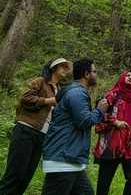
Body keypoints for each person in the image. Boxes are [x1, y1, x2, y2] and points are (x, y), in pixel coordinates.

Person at [0, 58, 72, 195]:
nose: (66, 68)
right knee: (14, 174)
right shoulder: (40, 81)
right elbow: (25, 98)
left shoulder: (59, 90)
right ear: (53, 68)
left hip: (42, 136)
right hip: (26, 129)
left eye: (67, 67)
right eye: (63, 66)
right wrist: (48, 101)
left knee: (26, 176)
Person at [41, 58, 109, 195]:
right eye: (94, 72)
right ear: (87, 74)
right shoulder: (77, 93)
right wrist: (100, 110)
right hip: (62, 158)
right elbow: (83, 121)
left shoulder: (75, 93)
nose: (96, 75)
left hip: (71, 160)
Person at [93, 70, 131, 195]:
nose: (130, 78)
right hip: (112, 144)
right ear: (121, 79)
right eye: (128, 76)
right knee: (104, 181)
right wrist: (115, 122)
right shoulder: (112, 95)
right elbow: (99, 112)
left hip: (130, 146)